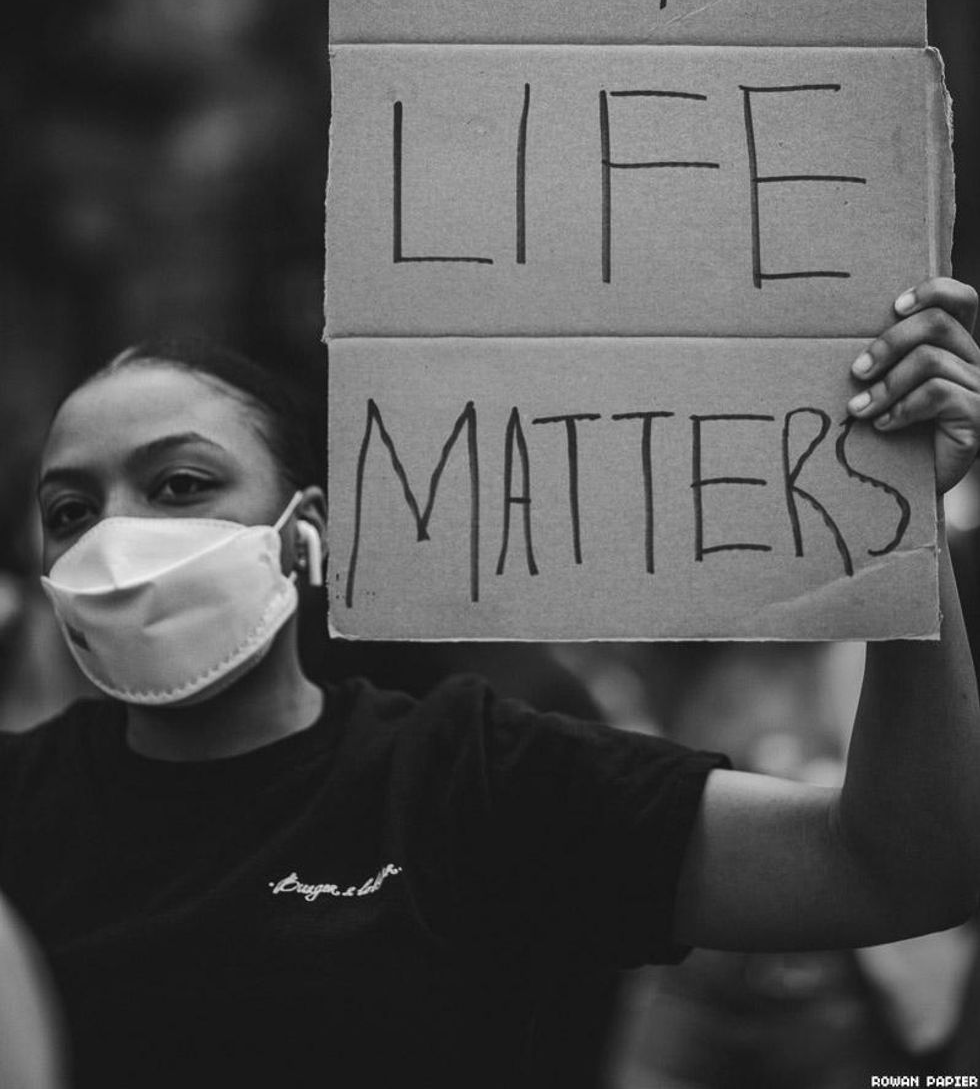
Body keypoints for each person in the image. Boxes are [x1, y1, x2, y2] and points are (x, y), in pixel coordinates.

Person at [1, 277, 978, 1089]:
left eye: (179, 486)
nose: (115, 543)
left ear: (306, 533)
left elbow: (891, 867)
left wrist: (898, 527)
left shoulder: (465, 778)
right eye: (70, 510)